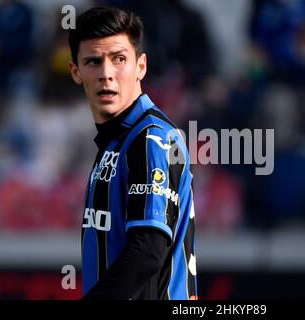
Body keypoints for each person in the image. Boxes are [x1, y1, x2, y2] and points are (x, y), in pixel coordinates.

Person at [68, 6, 197, 300]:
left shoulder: (150, 138)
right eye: (93, 62)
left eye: (119, 59)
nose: (106, 74)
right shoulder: (117, 141)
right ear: (75, 71)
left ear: (141, 66)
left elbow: (148, 251)